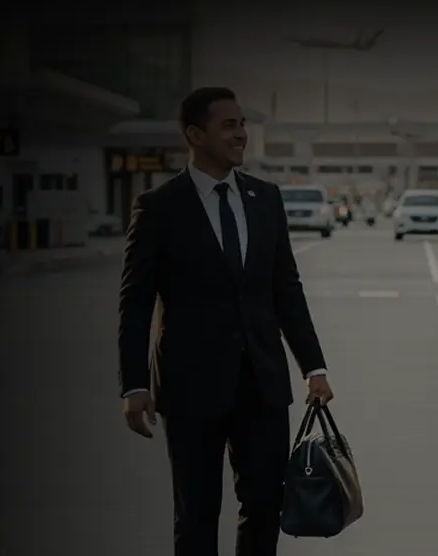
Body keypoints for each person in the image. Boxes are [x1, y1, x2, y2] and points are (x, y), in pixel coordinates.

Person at [117, 86, 333, 556]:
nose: (240, 134)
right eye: (228, 125)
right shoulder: (160, 208)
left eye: (242, 125)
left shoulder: (265, 199)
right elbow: (135, 301)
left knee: (264, 506)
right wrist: (134, 384)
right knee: (196, 514)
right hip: (190, 385)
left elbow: (286, 290)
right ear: (195, 135)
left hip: (263, 382)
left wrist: (313, 366)